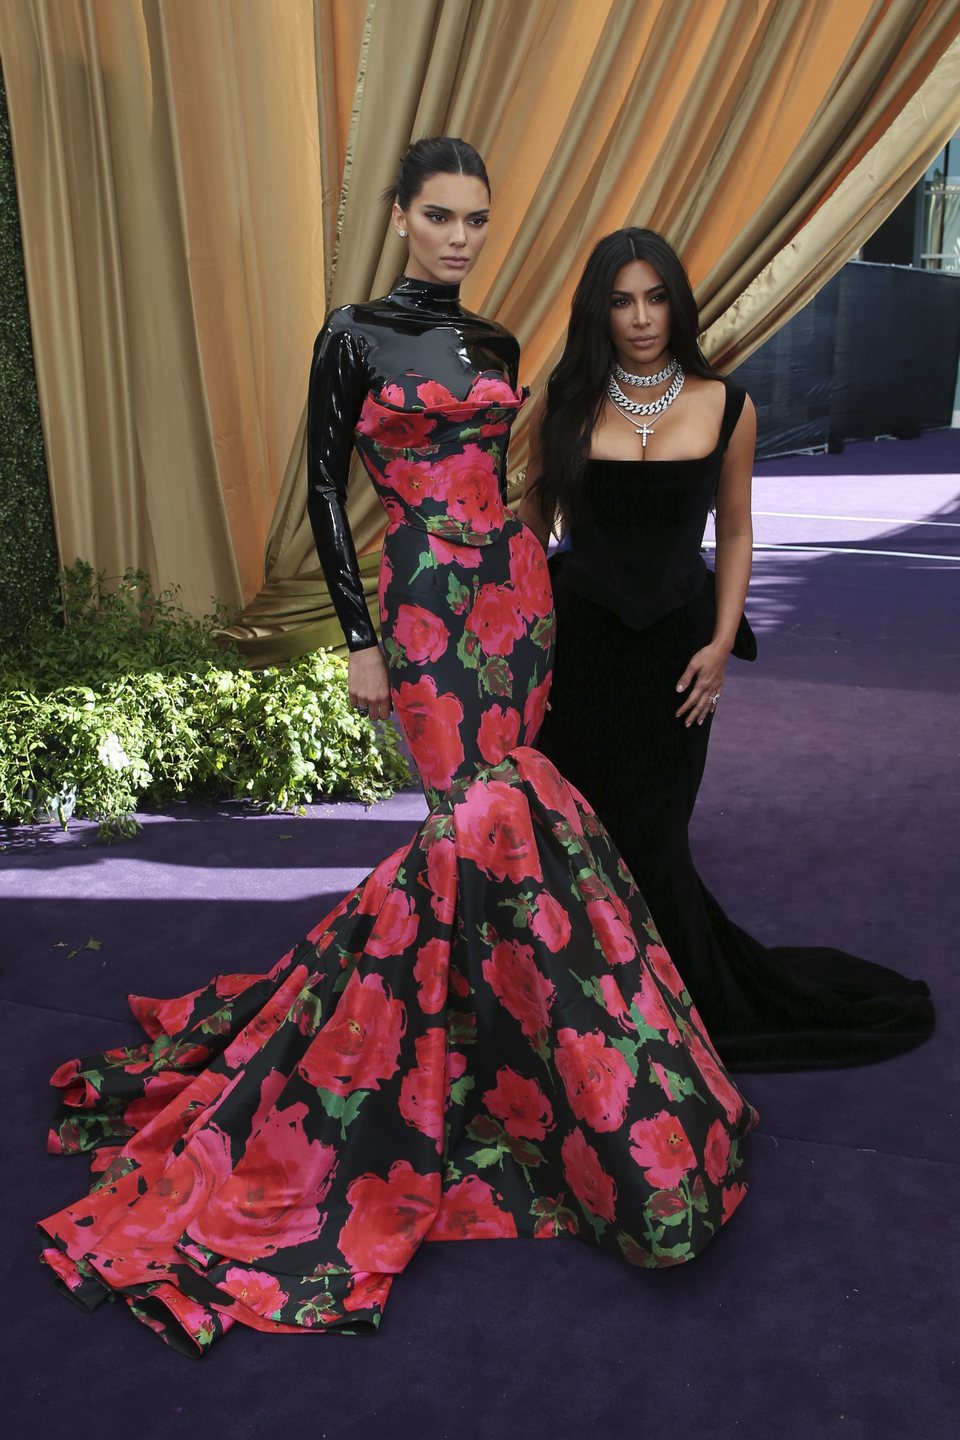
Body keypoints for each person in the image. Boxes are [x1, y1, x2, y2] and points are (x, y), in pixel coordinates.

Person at [38, 147, 757, 1356]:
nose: (461, 237)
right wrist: (363, 639)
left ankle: (498, 1043)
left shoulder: (500, 347)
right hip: (422, 602)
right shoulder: (352, 337)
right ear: (400, 218)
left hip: (520, 598)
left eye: (477, 219)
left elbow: (529, 491)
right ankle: (404, 1055)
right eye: (440, 217)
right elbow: (324, 489)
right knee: (466, 823)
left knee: (515, 826)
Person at [520, 227, 934, 1072]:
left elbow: (738, 531)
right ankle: (586, 1003)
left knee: (658, 835)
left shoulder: (729, 404)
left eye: (656, 296)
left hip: (678, 651)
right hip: (581, 651)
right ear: (599, 311)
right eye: (622, 300)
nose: (641, 317)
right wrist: (524, 647)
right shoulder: (562, 404)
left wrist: (719, 642)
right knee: (578, 836)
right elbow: (530, 533)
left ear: (679, 300)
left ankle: (668, 1002)